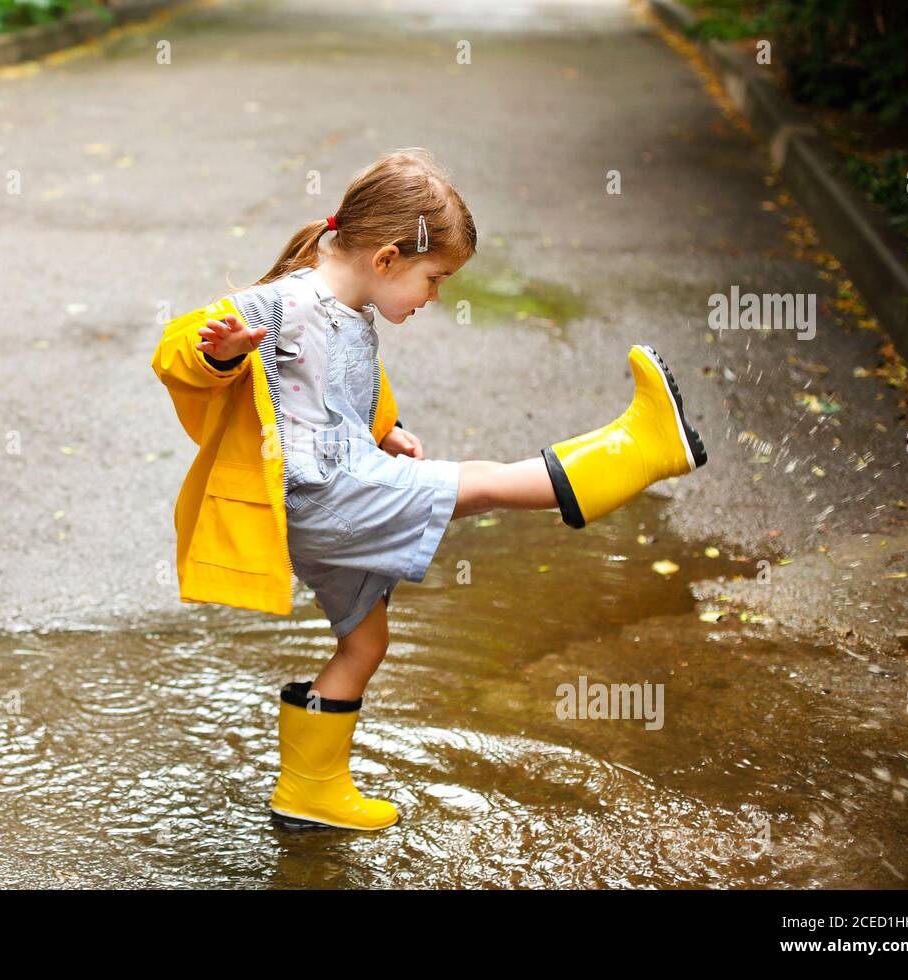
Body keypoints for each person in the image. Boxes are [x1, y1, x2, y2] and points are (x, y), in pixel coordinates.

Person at [150, 147, 707, 832]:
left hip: (332, 494)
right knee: (481, 483)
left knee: (365, 644)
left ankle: (309, 793)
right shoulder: (287, 300)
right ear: (385, 259)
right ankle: (644, 446)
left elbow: (334, 393)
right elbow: (176, 348)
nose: (435, 296)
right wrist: (221, 351)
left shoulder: (349, 307)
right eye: (434, 278)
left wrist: (387, 429)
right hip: (325, 494)